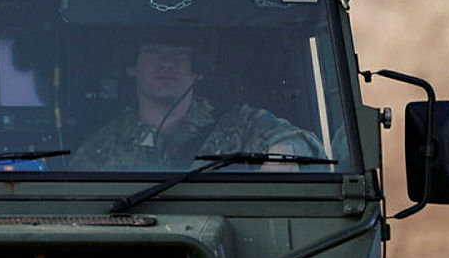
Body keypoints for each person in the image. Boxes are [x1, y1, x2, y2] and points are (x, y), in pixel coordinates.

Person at [71, 38, 318, 171]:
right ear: (131, 66)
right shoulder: (102, 149)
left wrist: (283, 157)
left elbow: (304, 143)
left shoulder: (240, 125)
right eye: (152, 52)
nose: (166, 63)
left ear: (198, 69)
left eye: (180, 53)